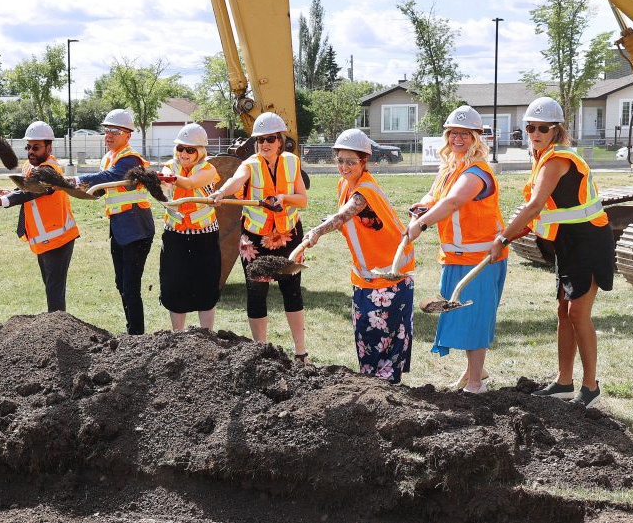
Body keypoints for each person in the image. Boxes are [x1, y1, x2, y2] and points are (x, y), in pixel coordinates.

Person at [490, 96, 613, 408]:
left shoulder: (558, 160)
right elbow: (546, 210)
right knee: (563, 310)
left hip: (589, 240)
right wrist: (516, 231)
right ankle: (563, 382)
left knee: (577, 313)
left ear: (557, 130)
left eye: (543, 128)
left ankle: (590, 386)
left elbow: (533, 205)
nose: (535, 133)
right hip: (567, 242)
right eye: (530, 127)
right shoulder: (542, 158)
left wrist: (503, 238)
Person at [297, 129, 415, 383]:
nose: (344, 166)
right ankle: (373, 392)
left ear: (364, 162)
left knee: (385, 346)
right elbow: (347, 221)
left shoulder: (364, 191)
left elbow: (345, 214)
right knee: (367, 338)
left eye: (351, 161)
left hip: (390, 277)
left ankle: (385, 396)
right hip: (367, 277)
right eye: (340, 160)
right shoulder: (345, 184)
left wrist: (317, 231)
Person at [406, 106, 507, 394]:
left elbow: (452, 202)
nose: (457, 138)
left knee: (474, 318)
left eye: (465, 133)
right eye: (453, 133)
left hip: (481, 258)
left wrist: (421, 226)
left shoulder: (477, 172)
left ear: (476, 137)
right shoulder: (451, 167)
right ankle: (476, 370)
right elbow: (434, 196)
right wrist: (417, 212)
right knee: (460, 314)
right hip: (455, 256)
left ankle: (476, 384)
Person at [210, 112, 308, 360]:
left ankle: (300, 352)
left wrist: (284, 198)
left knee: (292, 291)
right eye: (261, 139)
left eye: (271, 139)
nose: (265, 144)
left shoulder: (292, 162)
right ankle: (260, 352)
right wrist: (222, 192)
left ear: (280, 140)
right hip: (254, 240)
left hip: (289, 236)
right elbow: (236, 180)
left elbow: (303, 200)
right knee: (256, 292)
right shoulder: (250, 164)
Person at [0, 121, 79, 312]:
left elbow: (32, 191)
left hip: (59, 239)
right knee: (51, 290)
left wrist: (1, 202)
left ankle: (58, 332)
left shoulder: (50, 170)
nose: (31, 151)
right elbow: (26, 188)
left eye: (36, 147)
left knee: (54, 295)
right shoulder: (29, 166)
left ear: (49, 147)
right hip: (44, 239)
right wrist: (10, 192)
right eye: (28, 147)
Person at [74, 109, 154, 335]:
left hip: (137, 230)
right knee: (122, 284)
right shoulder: (109, 158)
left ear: (128, 135)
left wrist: (78, 179)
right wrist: (69, 188)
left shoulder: (130, 159)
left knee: (130, 287)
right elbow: (99, 191)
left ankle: (136, 337)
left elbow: (111, 178)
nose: (108, 135)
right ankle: (132, 331)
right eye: (106, 130)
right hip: (120, 229)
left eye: (115, 131)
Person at [159, 123, 221, 331]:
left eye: (190, 149)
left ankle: (207, 335)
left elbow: (190, 184)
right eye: (180, 148)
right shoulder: (169, 166)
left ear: (200, 152)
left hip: (204, 236)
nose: (184, 153)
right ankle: (178, 336)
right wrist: (159, 181)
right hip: (175, 235)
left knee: (206, 284)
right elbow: (166, 185)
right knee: (174, 284)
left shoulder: (208, 170)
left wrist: (170, 179)